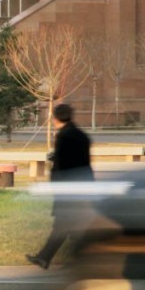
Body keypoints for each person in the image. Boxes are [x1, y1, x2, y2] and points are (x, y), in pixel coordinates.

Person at [26, 103, 93, 270]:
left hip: (68, 188)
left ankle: (76, 259)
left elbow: (63, 166)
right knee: (70, 226)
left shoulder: (64, 136)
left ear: (55, 118)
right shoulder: (81, 135)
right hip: (82, 186)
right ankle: (46, 258)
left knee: (65, 225)